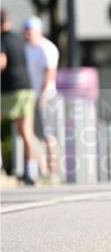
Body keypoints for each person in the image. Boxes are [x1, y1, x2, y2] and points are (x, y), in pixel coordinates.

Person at [1, 10, 37, 184]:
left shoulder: (2, 40)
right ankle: (31, 172)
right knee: (26, 133)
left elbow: (2, 62)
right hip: (26, 88)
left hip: (9, 90)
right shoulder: (19, 39)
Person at [23, 16, 60, 181]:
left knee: (49, 134)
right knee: (33, 134)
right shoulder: (27, 49)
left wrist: (43, 94)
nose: (27, 34)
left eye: (30, 31)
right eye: (26, 31)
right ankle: (42, 170)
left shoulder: (47, 48)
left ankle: (53, 172)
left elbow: (49, 73)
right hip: (30, 96)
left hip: (47, 96)